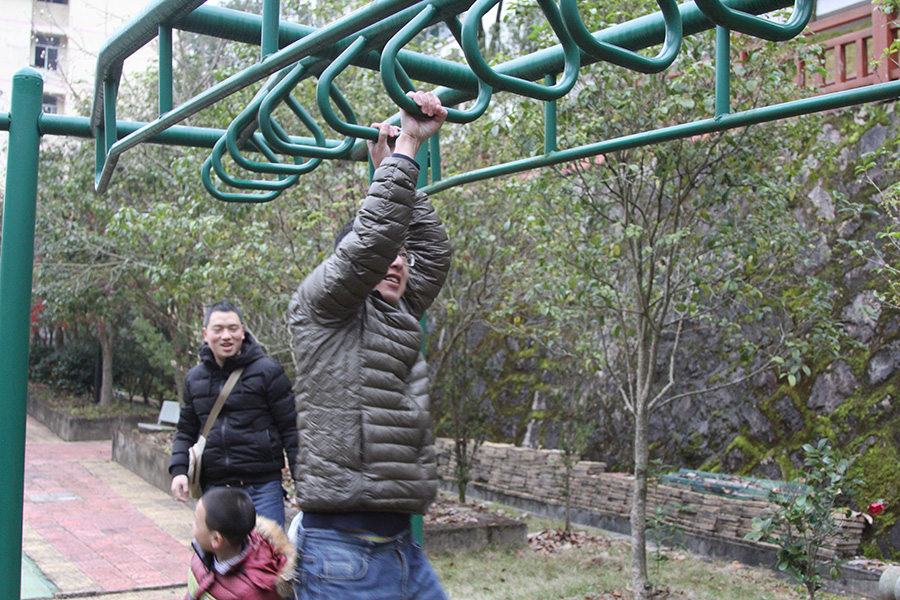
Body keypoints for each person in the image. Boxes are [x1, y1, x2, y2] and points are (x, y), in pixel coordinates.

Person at [287, 90, 451, 599]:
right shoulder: (323, 306)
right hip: (343, 551)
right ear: (349, 264)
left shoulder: (397, 310)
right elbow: (375, 239)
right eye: (387, 256)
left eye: (403, 255)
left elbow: (435, 253)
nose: (399, 262)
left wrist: (395, 175)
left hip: (401, 545)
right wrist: (405, 149)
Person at [170, 301, 299, 527]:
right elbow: (186, 431)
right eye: (218, 329)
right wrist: (179, 470)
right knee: (216, 560)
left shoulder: (268, 372)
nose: (226, 336)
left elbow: (291, 430)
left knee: (266, 558)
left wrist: (303, 480)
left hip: (263, 488)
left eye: (233, 328)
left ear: (243, 331)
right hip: (215, 490)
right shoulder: (195, 379)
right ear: (205, 334)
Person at [187, 487, 294, 600]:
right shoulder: (202, 554)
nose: (193, 525)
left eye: (197, 522)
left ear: (216, 539)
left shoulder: (256, 591)